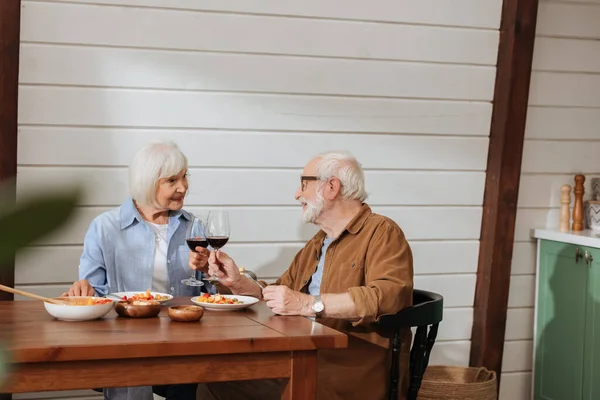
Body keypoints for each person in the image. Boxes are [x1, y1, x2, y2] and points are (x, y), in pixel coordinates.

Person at [190, 150, 414, 400]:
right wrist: (237, 282)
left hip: (352, 369)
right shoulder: (318, 242)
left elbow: (388, 297)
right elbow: (278, 294)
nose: (297, 194)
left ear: (331, 186)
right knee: (216, 380)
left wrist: (309, 304)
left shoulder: (383, 232)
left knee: (218, 385)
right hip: (306, 355)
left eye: (304, 184)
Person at [65, 141, 211, 400]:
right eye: (172, 180)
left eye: (185, 176)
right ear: (147, 182)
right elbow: (94, 293)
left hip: (184, 344)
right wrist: (83, 291)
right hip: (125, 342)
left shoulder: (194, 226)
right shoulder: (104, 227)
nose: (183, 186)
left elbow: (206, 292)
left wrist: (212, 270)